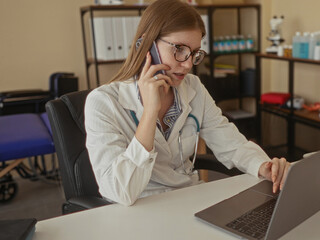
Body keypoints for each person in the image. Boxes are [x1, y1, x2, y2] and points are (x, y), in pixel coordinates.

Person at [85, 0, 290, 206]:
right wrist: (149, 113)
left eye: (193, 53)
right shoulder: (103, 103)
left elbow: (231, 144)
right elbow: (119, 191)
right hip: (139, 207)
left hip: (187, 200)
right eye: (179, 49)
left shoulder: (193, 87)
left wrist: (262, 165)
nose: (188, 64)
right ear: (147, 45)